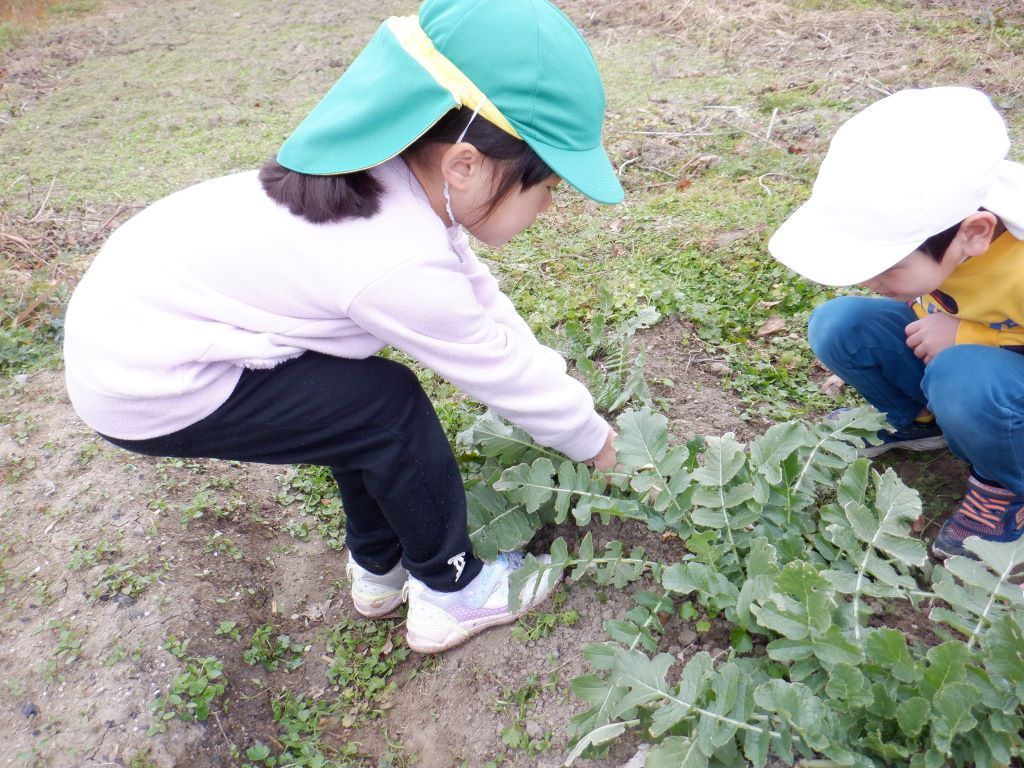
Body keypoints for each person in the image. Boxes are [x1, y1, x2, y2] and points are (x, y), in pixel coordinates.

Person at [62, 0, 622, 653]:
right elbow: (497, 371)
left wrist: (573, 412)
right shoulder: (394, 257)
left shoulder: (392, 173)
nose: (550, 205)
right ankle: (452, 593)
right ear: (465, 166)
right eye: (547, 184)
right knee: (388, 411)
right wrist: (602, 448)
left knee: (355, 411)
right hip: (147, 379)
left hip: (144, 328)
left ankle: (379, 570)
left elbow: (481, 305)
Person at [768, 86, 1024, 561]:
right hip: (953, 352)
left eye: (888, 264)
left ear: (975, 233)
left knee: (962, 376)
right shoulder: (939, 221)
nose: (871, 279)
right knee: (839, 323)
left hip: (997, 382)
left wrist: (970, 336)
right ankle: (917, 422)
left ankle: (1006, 487)